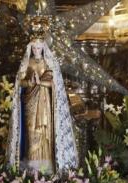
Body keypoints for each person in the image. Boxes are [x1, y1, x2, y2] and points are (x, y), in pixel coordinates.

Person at [7, 38, 78, 172]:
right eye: (34, 48)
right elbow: (19, 83)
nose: (36, 51)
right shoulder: (27, 63)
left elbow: (53, 84)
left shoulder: (49, 63)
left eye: (39, 48)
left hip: (45, 103)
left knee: (45, 131)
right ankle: (32, 165)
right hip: (30, 102)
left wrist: (40, 82)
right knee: (31, 131)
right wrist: (29, 82)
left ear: (43, 48)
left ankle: (46, 164)